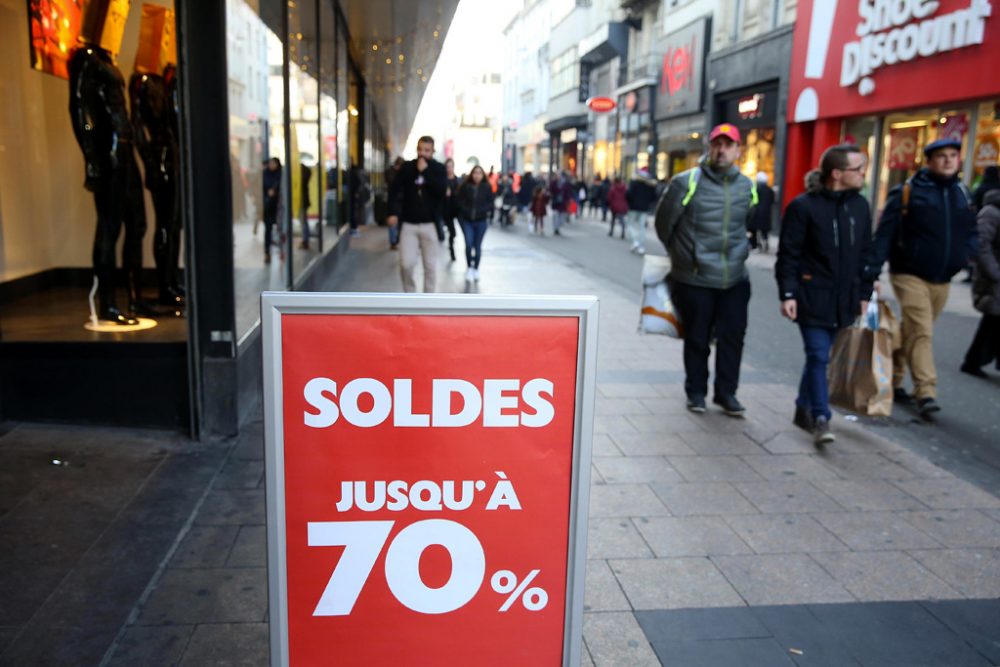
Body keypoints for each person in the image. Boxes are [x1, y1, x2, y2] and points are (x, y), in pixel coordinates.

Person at [654, 123, 758, 417]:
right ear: (709, 148)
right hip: (695, 277)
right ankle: (696, 392)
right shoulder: (686, 182)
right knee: (698, 338)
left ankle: (727, 393)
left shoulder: (747, 186)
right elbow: (664, 224)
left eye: (728, 145)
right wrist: (683, 256)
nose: (721, 150)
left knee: (733, 337)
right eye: (717, 144)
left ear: (738, 151)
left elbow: (747, 219)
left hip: (735, 277)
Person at [776, 145, 877, 445]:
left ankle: (801, 407)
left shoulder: (860, 206)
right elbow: (789, 255)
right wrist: (788, 293)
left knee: (820, 358)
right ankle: (821, 417)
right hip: (812, 295)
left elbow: (865, 253)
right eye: (858, 169)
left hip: (845, 297)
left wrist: (865, 291)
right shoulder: (803, 207)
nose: (863, 174)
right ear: (837, 173)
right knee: (819, 355)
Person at [871, 138, 978, 417]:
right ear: (928, 161)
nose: (948, 160)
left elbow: (972, 230)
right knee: (922, 331)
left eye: (953, 155)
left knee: (912, 331)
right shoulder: (907, 192)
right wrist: (871, 272)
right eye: (941, 156)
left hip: (943, 277)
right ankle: (926, 391)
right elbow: (884, 235)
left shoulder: (962, 193)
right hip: (908, 273)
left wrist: (967, 255)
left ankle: (892, 378)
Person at [387, 136, 447, 292]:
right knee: (406, 264)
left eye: (426, 150)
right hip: (409, 224)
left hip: (430, 224)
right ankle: (411, 297)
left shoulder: (438, 169)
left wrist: (425, 172)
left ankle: (427, 301)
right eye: (420, 149)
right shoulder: (407, 168)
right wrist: (392, 213)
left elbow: (441, 192)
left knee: (430, 266)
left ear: (432, 151)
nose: (422, 153)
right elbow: (394, 191)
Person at [961, 188, 1000, 377]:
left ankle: (974, 361)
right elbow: (981, 244)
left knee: (992, 323)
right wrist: (995, 272)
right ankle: (972, 361)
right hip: (993, 278)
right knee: (991, 321)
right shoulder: (991, 212)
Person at [456, 165, 493, 281]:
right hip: (467, 221)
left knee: (477, 247)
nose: (477, 175)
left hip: (481, 221)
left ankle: (476, 268)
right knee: (468, 245)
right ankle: (469, 268)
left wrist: (485, 211)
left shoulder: (486, 187)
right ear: (472, 174)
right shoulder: (465, 187)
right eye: (475, 173)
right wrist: (464, 211)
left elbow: (490, 203)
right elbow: (459, 202)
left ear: (483, 175)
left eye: (479, 173)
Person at [625, 167, 657, 254]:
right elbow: (654, 197)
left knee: (630, 225)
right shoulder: (650, 185)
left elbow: (628, 194)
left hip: (633, 208)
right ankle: (641, 246)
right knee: (642, 227)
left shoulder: (634, 183)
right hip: (644, 208)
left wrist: (630, 202)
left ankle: (635, 241)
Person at [262, 157, 282, 264]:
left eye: (273, 163)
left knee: (281, 228)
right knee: (268, 229)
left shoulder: (281, 174)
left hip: (278, 206)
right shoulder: (265, 174)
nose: (271, 165)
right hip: (267, 206)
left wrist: (276, 193)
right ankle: (267, 252)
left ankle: (282, 250)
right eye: (270, 163)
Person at [749, 172, 775, 252]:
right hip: (767, 213)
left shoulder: (755, 188)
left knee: (752, 229)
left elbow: (752, 199)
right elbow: (773, 201)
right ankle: (765, 241)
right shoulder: (770, 190)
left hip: (756, 212)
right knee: (765, 230)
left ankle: (755, 245)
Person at [442, 158, 460, 261]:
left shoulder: (458, 180)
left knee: (454, 233)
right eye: (447, 167)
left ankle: (451, 247)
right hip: (447, 210)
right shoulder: (443, 180)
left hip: (457, 210)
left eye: (451, 166)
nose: (449, 169)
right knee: (452, 232)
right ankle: (452, 250)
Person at [385, 156, 404, 249]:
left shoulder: (397, 173)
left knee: (399, 222)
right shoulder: (391, 173)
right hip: (393, 201)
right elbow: (392, 184)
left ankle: (395, 240)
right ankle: (393, 242)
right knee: (393, 222)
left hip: (399, 201)